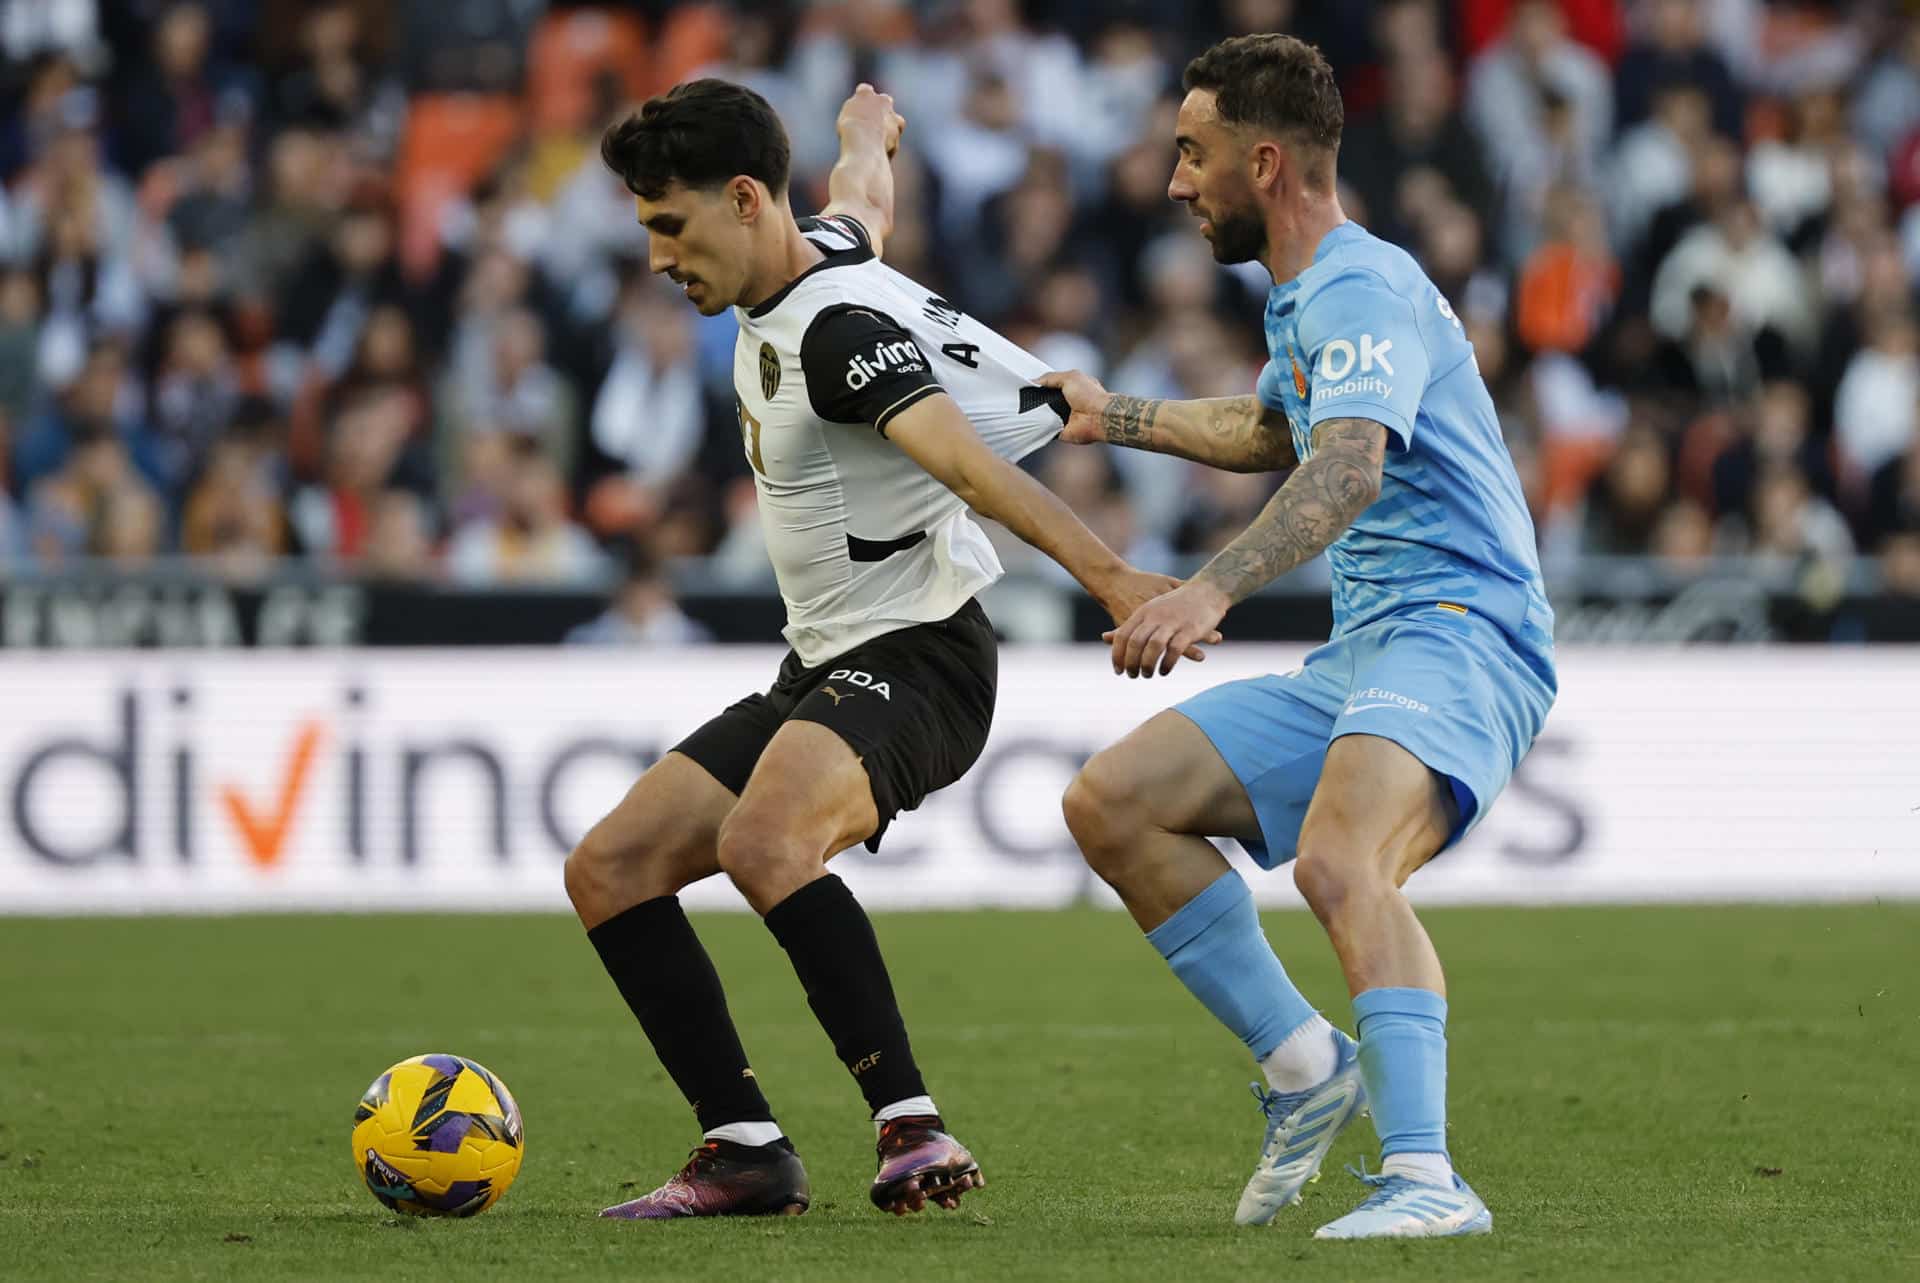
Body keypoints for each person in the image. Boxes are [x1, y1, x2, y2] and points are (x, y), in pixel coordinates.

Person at [568, 79, 1188, 1222]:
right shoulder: (822, 254)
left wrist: (1114, 576)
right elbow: (864, 205)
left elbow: (969, 469)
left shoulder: (842, 339)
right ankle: (745, 1148)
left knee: (766, 839)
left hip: (922, 656)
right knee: (609, 869)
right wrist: (866, 135)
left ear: (746, 199)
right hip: (822, 660)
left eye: (670, 225)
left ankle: (911, 1122)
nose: (657, 257)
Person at [1042, 34, 1557, 1240]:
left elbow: (1348, 465)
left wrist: (1207, 591)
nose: (1175, 179)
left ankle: (1428, 1177)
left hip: (1462, 625)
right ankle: (1302, 1065)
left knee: (1338, 861)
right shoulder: (1305, 296)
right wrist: (1106, 412)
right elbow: (1275, 429)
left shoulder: (1357, 285)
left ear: (1263, 161)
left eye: (1193, 151)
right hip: (1371, 645)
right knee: (1114, 803)